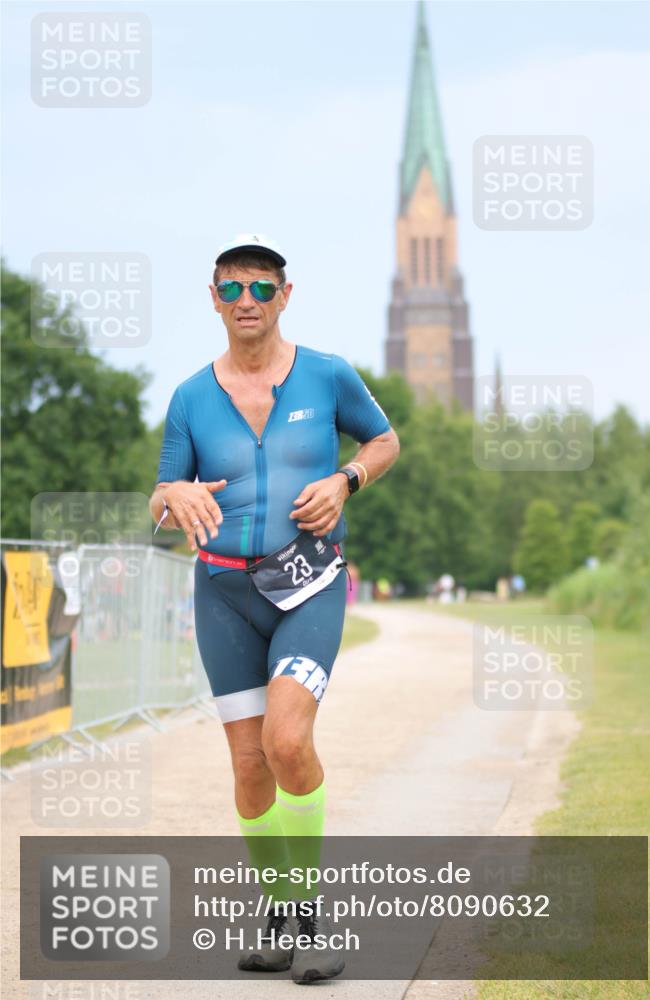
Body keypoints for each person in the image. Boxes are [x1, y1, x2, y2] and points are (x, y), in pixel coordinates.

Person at [149, 234, 400, 983]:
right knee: (251, 763)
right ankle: (278, 913)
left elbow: (385, 439)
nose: (247, 302)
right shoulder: (192, 397)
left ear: (285, 296)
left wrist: (347, 478)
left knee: (289, 742)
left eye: (262, 289)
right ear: (214, 299)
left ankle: (315, 920)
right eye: (232, 290)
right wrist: (176, 494)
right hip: (223, 592)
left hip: (310, 583)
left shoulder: (327, 375)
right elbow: (162, 494)